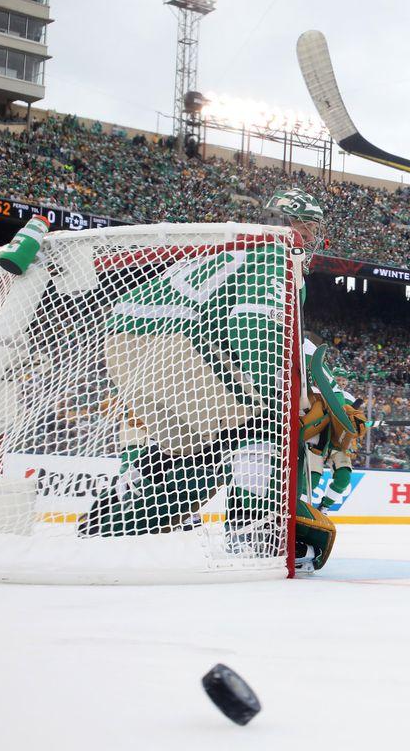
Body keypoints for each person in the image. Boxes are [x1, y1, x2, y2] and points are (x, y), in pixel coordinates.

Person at [80, 188, 341, 572]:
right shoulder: (274, 253)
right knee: (267, 425)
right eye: (305, 226)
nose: (309, 237)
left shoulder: (232, 247)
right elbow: (253, 322)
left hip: (131, 343)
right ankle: (255, 534)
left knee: (199, 455)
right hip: (175, 342)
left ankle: (116, 518)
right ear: (286, 224)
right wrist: (280, 397)